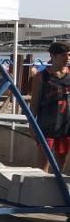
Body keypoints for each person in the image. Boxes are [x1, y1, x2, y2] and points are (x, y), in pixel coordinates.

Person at [30, 40, 69, 173]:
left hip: (66, 126)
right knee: (42, 168)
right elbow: (34, 103)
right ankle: (40, 192)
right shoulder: (41, 77)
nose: (67, 58)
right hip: (46, 126)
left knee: (60, 169)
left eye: (69, 55)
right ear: (53, 56)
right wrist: (31, 125)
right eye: (63, 55)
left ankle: (57, 192)